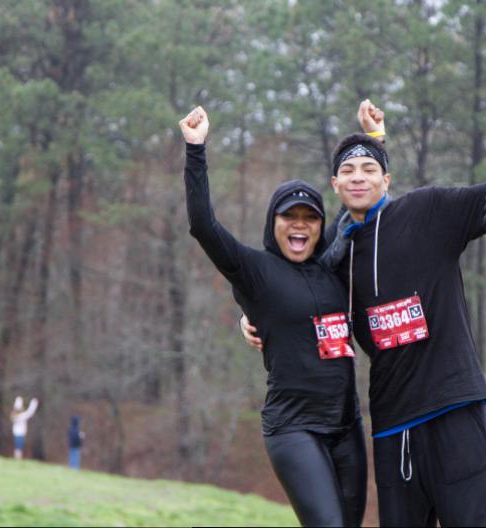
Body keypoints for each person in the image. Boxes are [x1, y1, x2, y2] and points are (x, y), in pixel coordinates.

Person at [243, 100, 486, 526]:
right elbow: (287, 287)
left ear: (387, 179)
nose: (358, 178)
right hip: (392, 425)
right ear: (334, 184)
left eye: (370, 170)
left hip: (452, 407)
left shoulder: (430, 211)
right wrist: (252, 318)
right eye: (348, 172)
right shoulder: (337, 253)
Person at [178, 106, 367, 527]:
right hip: (294, 428)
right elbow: (203, 225)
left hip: (347, 424)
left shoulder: (332, 263)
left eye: (309, 218)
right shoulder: (255, 271)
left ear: (319, 227)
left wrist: (375, 138)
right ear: (274, 222)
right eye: (289, 217)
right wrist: (196, 150)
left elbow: (360, 199)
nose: (300, 226)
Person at [10, 395, 38, 460]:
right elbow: (29, 412)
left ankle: (17, 459)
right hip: (19, 433)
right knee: (19, 447)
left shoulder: (15, 416)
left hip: (17, 433)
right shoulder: (21, 416)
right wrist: (33, 404)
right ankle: (18, 459)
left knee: (18, 447)